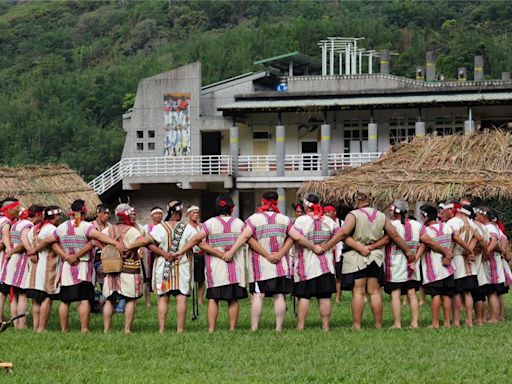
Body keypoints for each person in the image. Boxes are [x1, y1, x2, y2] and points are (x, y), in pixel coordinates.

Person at [223, 192, 323, 332]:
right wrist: (311, 248)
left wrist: (232, 251)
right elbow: (296, 237)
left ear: (263, 202)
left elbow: (246, 236)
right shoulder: (284, 219)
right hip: (280, 265)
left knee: (258, 295)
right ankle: (278, 328)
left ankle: (254, 328)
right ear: (276, 202)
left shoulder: (254, 219)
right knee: (279, 295)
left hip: (260, 266)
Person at [320, 189, 414, 330]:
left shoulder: (353, 215)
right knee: (375, 291)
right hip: (375, 257)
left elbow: (343, 233)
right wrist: (407, 250)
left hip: (356, 257)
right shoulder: (381, 216)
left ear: (358, 199)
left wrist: (327, 246)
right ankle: (378, 325)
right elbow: (393, 235)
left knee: (358, 291)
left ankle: (357, 325)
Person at [28, 199, 126, 333]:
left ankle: (64, 329)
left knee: (65, 301)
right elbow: (98, 237)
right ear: (84, 213)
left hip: (67, 268)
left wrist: (63, 255)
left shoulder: (62, 227)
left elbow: (49, 241)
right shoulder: (86, 226)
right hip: (83, 267)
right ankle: (84, 328)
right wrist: (116, 244)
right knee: (84, 299)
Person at [175, 195, 253, 332]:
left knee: (213, 299)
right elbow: (249, 239)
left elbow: (196, 240)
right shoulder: (239, 223)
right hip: (235, 268)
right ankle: (232, 328)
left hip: (215, 269)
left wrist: (180, 251)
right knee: (233, 299)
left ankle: (211, 329)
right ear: (231, 207)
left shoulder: (209, 223)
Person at [419, 204, 471, 329]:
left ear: (426, 216)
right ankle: (447, 322)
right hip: (448, 267)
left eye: (422, 216)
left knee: (435, 295)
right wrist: (470, 250)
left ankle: (435, 323)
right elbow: (457, 239)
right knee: (446, 295)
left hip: (434, 268)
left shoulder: (426, 230)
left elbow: (426, 244)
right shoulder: (447, 226)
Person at [102, 204, 145, 334]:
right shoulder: (132, 231)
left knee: (110, 299)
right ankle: (127, 329)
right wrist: (130, 248)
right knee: (130, 299)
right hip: (129, 269)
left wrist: (106, 248)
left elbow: (96, 240)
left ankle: (106, 329)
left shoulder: (108, 230)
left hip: (111, 267)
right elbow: (144, 240)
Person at [2, 205, 44, 329]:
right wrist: (30, 251)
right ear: (37, 214)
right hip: (21, 261)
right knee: (22, 294)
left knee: (14, 295)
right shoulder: (27, 225)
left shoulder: (16, 223)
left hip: (12, 261)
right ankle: (22, 325)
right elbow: (23, 241)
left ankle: (16, 324)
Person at [445, 202, 487, 327]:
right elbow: (479, 238)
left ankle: (456, 321)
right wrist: (470, 250)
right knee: (468, 293)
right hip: (469, 261)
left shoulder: (453, 222)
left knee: (457, 292)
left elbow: (455, 238)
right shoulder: (471, 223)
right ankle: (469, 320)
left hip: (457, 259)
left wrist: (468, 250)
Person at [25, 206, 64, 333]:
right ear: (54, 216)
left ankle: (36, 327)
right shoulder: (52, 229)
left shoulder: (34, 229)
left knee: (36, 300)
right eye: (59, 216)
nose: (60, 218)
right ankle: (42, 328)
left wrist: (32, 251)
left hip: (34, 269)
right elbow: (53, 244)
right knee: (47, 298)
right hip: (49, 268)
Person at [474, 207, 505, 324]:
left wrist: (486, 252)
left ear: (484, 217)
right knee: (491, 291)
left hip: (491, 262)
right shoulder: (488, 227)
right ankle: (494, 315)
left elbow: (494, 241)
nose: (476, 218)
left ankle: (494, 317)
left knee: (492, 291)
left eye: (477, 216)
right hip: (490, 260)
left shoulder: (490, 227)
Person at [0, 198, 20, 323]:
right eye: (17, 208)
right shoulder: (6, 221)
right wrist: (9, 250)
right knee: (2, 292)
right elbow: (6, 235)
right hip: (1, 258)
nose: (19, 210)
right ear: (10, 209)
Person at [141, 207, 163, 307]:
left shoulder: (164, 227)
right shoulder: (145, 228)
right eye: (156, 213)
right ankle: (148, 301)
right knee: (147, 278)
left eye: (160, 213)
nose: (158, 215)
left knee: (160, 277)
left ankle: (160, 300)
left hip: (161, 254)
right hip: (148, 255)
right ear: (151, 215)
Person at [324, 205, 344, 304]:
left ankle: (337, 298)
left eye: (329, 211)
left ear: (334, 212)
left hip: (339, 252)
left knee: (339, 277)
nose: (327, 214)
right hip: (328, 253)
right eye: (325, 212)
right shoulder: (323, 223)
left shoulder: (341, 223)